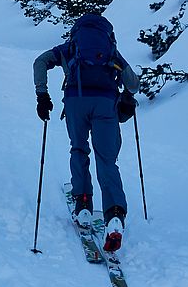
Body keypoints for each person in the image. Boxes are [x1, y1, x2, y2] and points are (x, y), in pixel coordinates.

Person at [33, 13, 139, 251]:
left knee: (79, 150)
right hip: (105, 105)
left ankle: (83, 206)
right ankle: (114, 215)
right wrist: (127, 97)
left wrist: (42, 95)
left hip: (75, 102)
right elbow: (132, 83)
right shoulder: (111, 52)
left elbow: (40, 61)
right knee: (107, 160)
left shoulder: (70, 48)